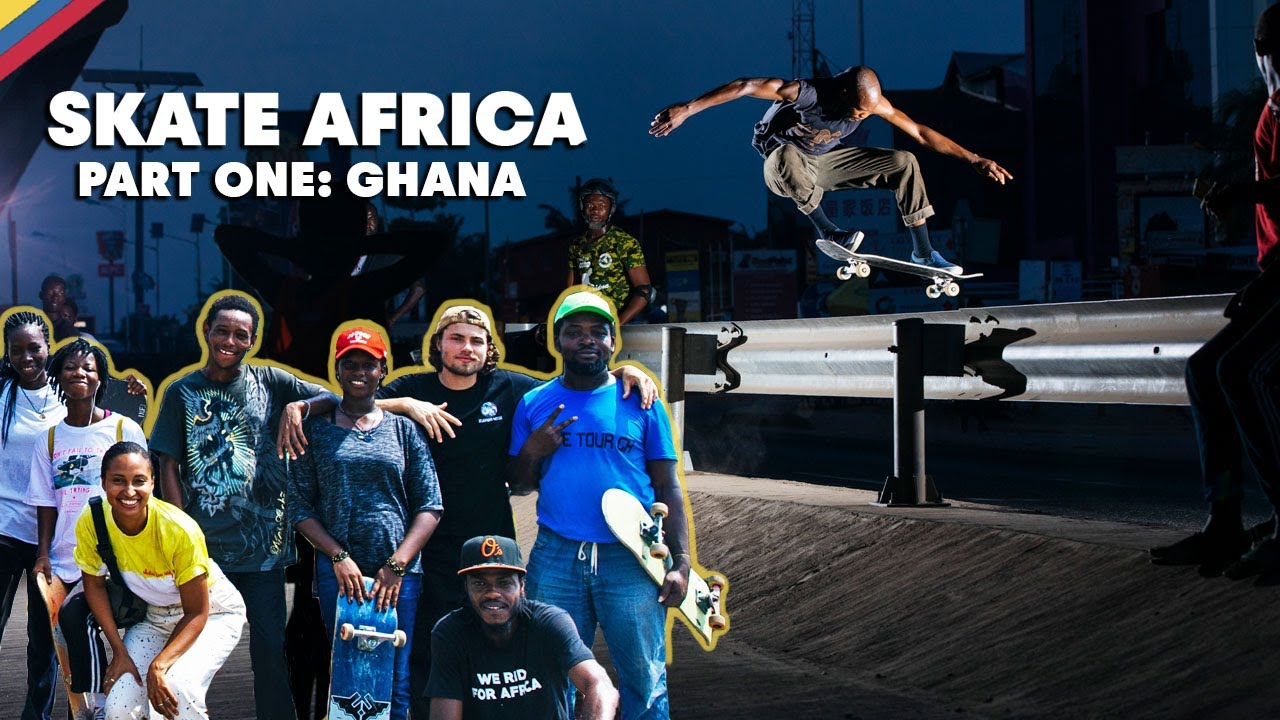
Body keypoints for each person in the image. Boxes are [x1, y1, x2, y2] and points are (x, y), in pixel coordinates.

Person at [149, 292, 335, 720]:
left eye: (240, 334)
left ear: (251, 341)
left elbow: (333, 400)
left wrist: (298, 405)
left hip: (261, 554)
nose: (229, 341)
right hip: (203, 553)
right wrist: (183, 531)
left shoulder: (271, 382)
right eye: (222, 331)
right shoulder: (181, 392)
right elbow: (167, 463)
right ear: (207, 332)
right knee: (188, 652)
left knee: (270, 652)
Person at [508, 289, 688, 719]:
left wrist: (681, 562)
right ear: (558, 342)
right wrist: (532, 451)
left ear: (613, 342)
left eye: (598, 332)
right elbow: (517, 485)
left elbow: (668, 484)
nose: (587, 339)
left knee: (643, 676)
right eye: (574, 332)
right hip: (557, 555)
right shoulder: (535, 403)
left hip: (633, 555)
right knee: (553, 672)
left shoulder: (640, 400)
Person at [1149, 4, 1280, 585]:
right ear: (1260, 57)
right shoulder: (1268, 115)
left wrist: (1242, 192)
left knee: (1243, 373)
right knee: (1206, 371)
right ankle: (1223, 520)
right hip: (1277, 275)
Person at [649, 66, 1013, 273]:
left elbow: (919, 132)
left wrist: (973, 159)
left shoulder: (873, 103)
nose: (860, 118)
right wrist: (688, 109)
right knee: (788, 153)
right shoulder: (806, 93)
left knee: (904, 162)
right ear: (841, 94)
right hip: (781, 168)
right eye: (857, 112)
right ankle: (830, 232)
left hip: (824, 164)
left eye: (866, 114)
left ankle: (923, 250)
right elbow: (746, 85)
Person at [288, 324, 442, 720]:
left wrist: (396, 566)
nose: (359, 371)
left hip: (400, 574)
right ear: (337, 371)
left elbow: (430, 506)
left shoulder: (405, 430)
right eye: (350, 363)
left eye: (368, 364)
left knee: (394, 677)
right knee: (347, 674)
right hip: (341, 573)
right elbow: (300, 507)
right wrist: (338, 557)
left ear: (382, 370)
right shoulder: (316, 432)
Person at [74, 441, 246, 720]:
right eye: (118, 481)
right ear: (103, 482)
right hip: (154, 618)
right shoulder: (92, 520)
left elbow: (197, 612)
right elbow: (93, 584)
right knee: (118, 709)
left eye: (139, 481)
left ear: (153, 483)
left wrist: (159, 666)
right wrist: (118, 650)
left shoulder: (178, 530)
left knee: (175, 689)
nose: (129, 491)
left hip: (212, 614)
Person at [27, 339, 147, 716]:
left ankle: (100, 705)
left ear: (100, 379)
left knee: (77, 623)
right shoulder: (48, 438)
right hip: (64, 559)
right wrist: (43, 553)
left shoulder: (122, 429)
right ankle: (89, 708)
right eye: (71, 368)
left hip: (114, 561)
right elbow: (47, 502)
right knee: (65, 645)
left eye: (89, 368)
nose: (79, 373)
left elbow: (144, 495)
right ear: (58, 376)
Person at [426, 534, 619, 720]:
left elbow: (600, 685)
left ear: (522, 587)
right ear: (466, 588)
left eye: (504, 583)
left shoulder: (550, 622)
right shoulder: (450, 634)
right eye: (479, 583)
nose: (493, 593)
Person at [0, 310, 63, 720]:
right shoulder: (2, 395)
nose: (27, 356)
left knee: (44, 639)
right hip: (3, 530)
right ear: (7, 353)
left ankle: (34, 716)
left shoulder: (70, 392)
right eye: (17, 349)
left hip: (52, 536)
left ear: (48, 349)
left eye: (34, 348)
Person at [567, 178, 654, 325]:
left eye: (602, 205)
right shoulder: (577, 246)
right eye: (590, 205)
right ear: (582, 208)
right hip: (589, 325)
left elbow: (644, 290)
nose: (595, 210)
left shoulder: (624, 242)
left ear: (610, 209)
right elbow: (570, 292)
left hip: (622, 323)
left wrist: (617, 324)